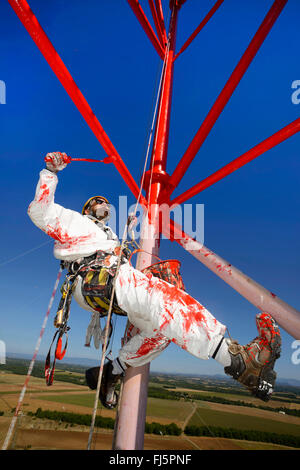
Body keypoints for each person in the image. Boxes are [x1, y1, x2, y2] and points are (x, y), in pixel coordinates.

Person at [28, 152, 281, 407]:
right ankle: (240, 363)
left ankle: (110, 372)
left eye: (105, 203)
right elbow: (40, 212)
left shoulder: (110, 236)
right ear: (87, 210)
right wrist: (50, 173)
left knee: (161, 330)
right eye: (97, 203)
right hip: (98, 276)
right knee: (164, 298)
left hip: (111, 281)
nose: (104, 205)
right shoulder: (76, 222)